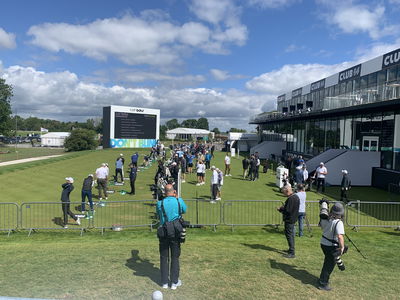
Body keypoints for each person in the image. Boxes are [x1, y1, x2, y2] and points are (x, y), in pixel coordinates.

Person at [156, 184, 187, 290]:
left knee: (164, 257)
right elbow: (184, 210)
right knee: (175, 257)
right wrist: (177, 199)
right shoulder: (179, 200)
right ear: (173, 192)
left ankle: (164, 282)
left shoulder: (160, 203)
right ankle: (174, 282)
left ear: (165, 192)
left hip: (164, 231)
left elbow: (158, 215)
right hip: (175, 232)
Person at [318, 201, 346, 291]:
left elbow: (320, 226)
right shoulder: (339, 222)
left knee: (327, 262)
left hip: (323, 243)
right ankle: (323, 283)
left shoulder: (325, 218)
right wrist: (342, 248)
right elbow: (340, 236)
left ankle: (322, 279)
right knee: (329, 265)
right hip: (331, 245)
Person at [277, 185, 300, 258]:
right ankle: (291, 249)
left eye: (284, 193)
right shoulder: (295, 197)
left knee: (289, 235)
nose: (283, 194)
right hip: (293, 218)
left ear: (287, 191)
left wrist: (280, 209)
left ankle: (292, 252)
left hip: (289, 219)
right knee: (290, 235)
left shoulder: (291, 198)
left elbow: (288, 210)